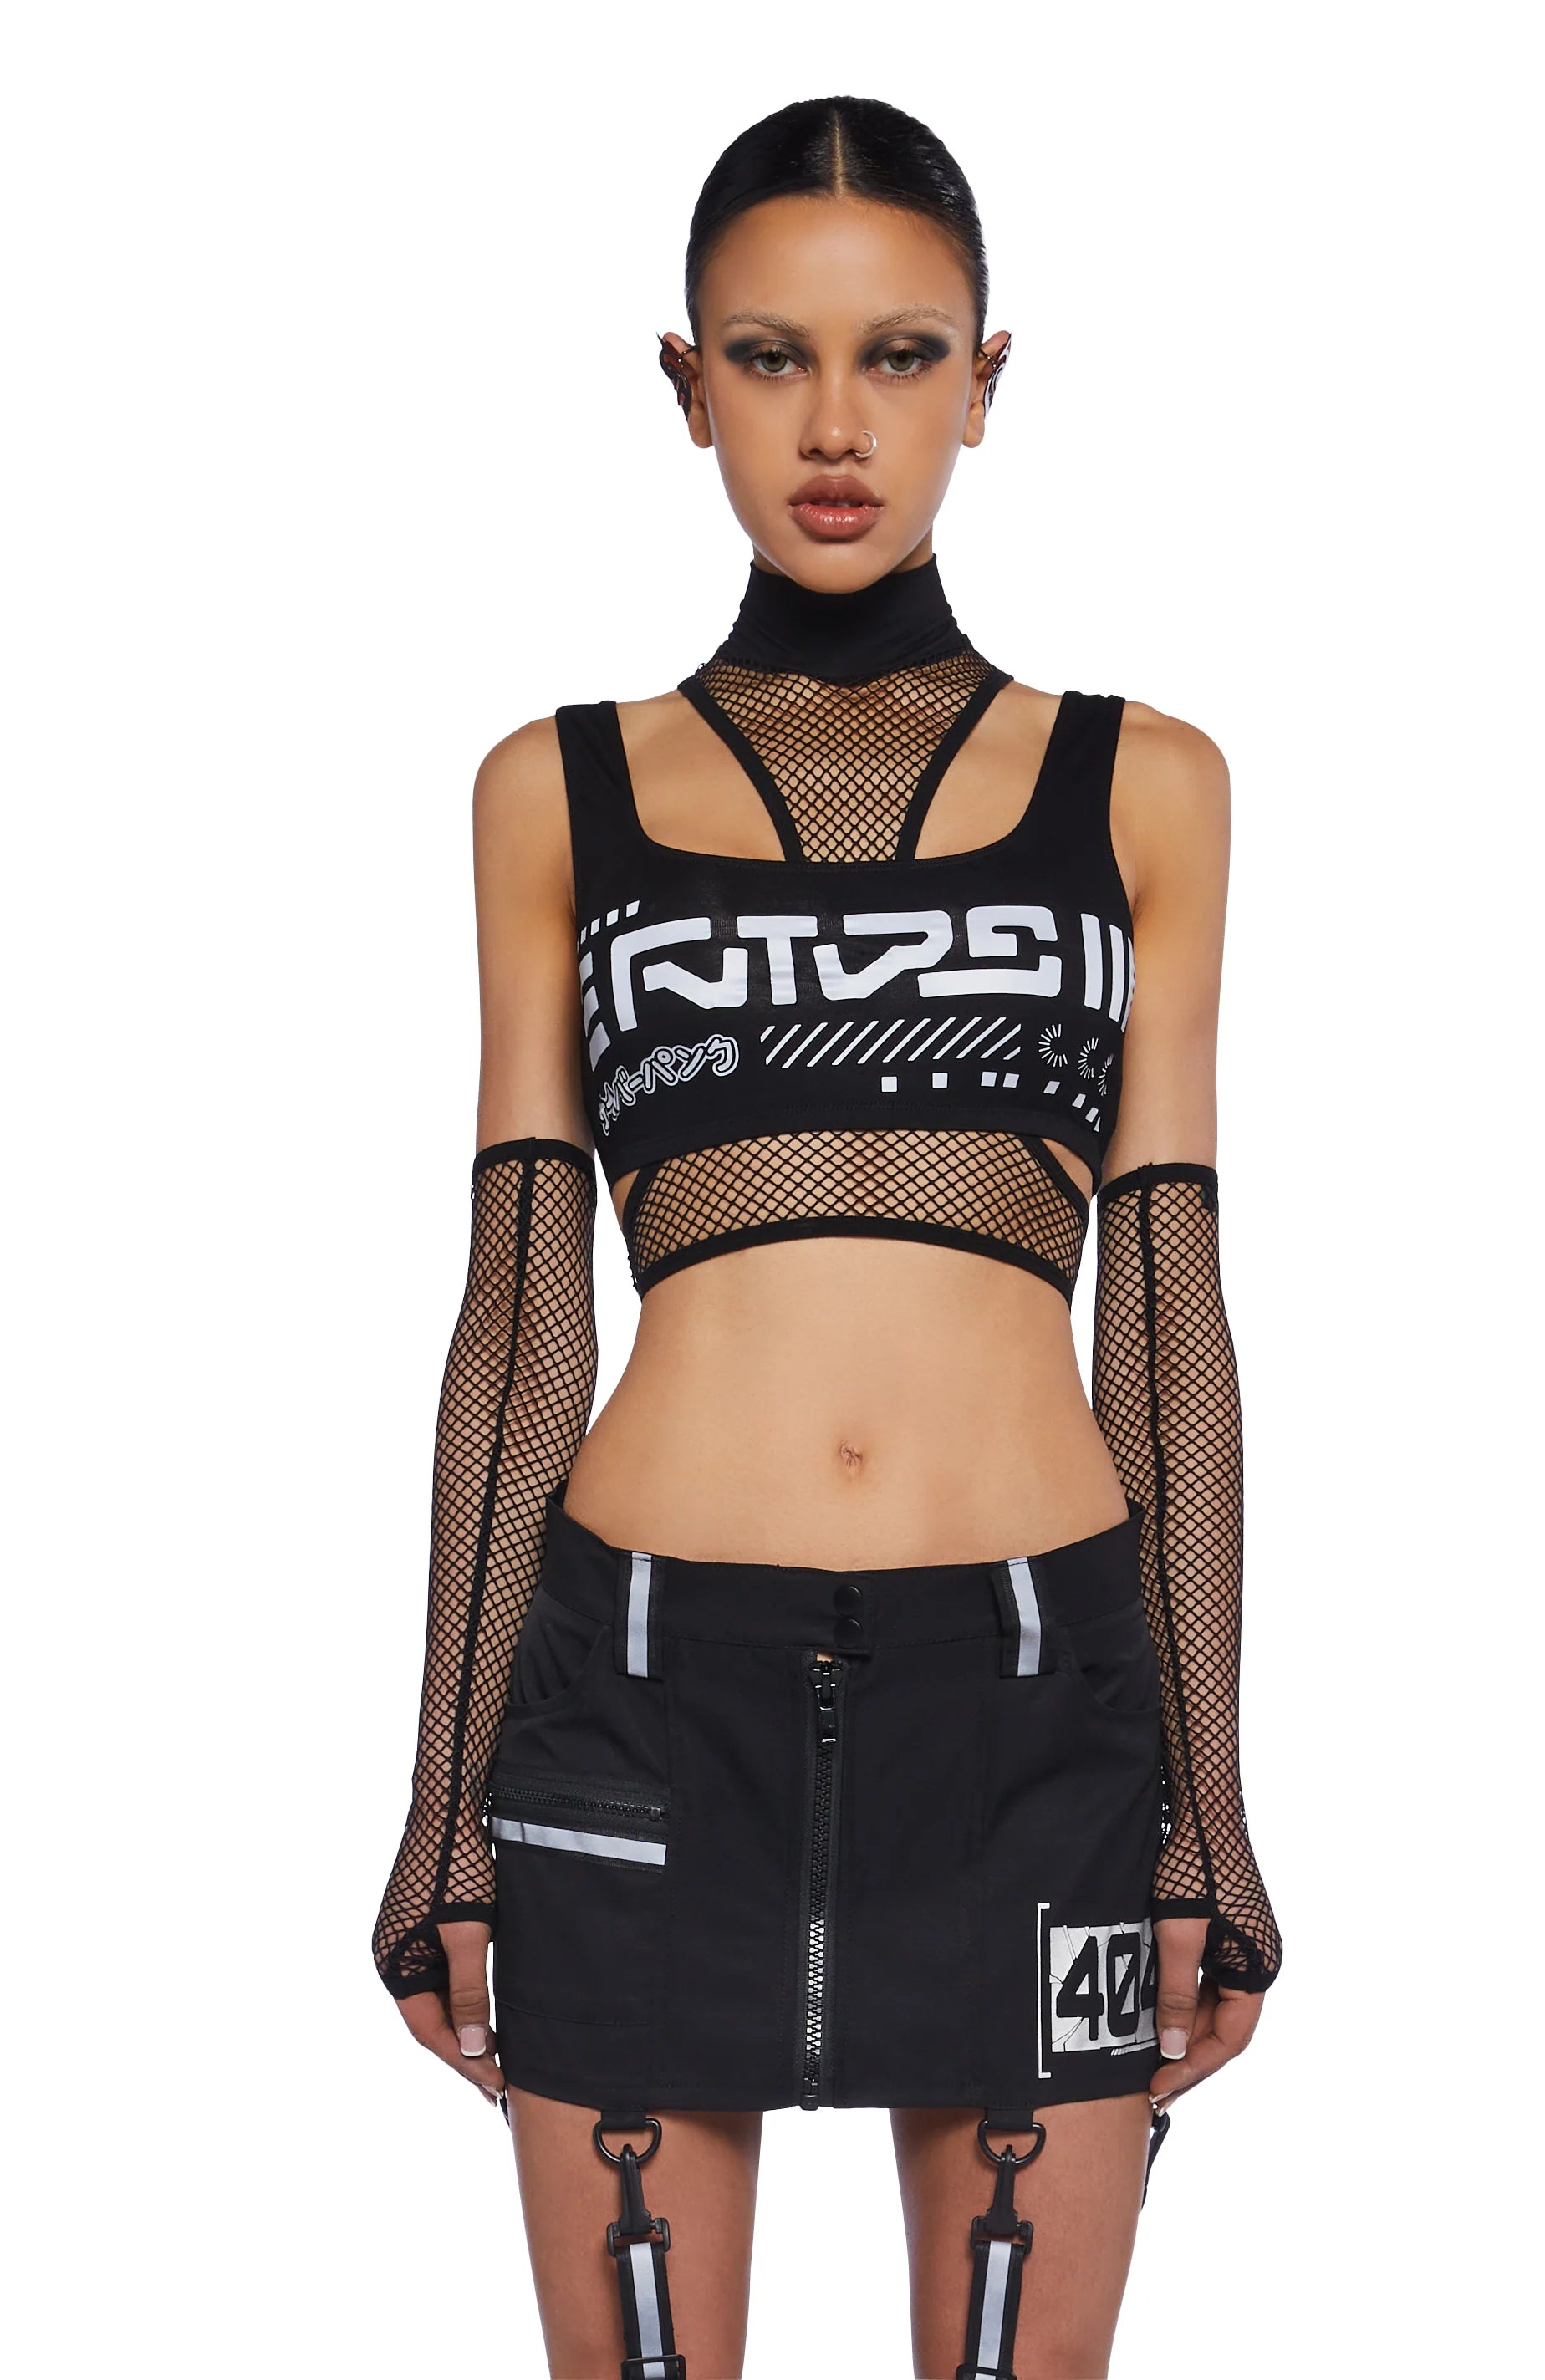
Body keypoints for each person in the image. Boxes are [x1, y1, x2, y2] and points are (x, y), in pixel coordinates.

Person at [372, 92, 1281, 2380]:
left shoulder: (1147, 788)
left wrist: (1208, 1802)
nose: (839, 425)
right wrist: (445, 1804)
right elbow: (522, 1308)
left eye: (900, 356)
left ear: (989, 378)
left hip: (1036, 1700)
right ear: (688, 386)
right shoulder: (555, 792)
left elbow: (1164, 1310)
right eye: (773, 359)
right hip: (640, 1699)